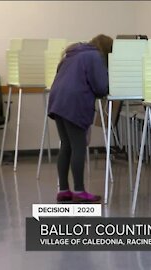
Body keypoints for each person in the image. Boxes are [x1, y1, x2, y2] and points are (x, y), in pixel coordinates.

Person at [48, 34, 113, 203]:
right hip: (74, 102)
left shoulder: (72, 54)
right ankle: (79, 190)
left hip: (57, 101)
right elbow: (100, 87)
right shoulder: (94, 56)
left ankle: (63, 190)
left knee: (66, 145)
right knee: (78, 146)